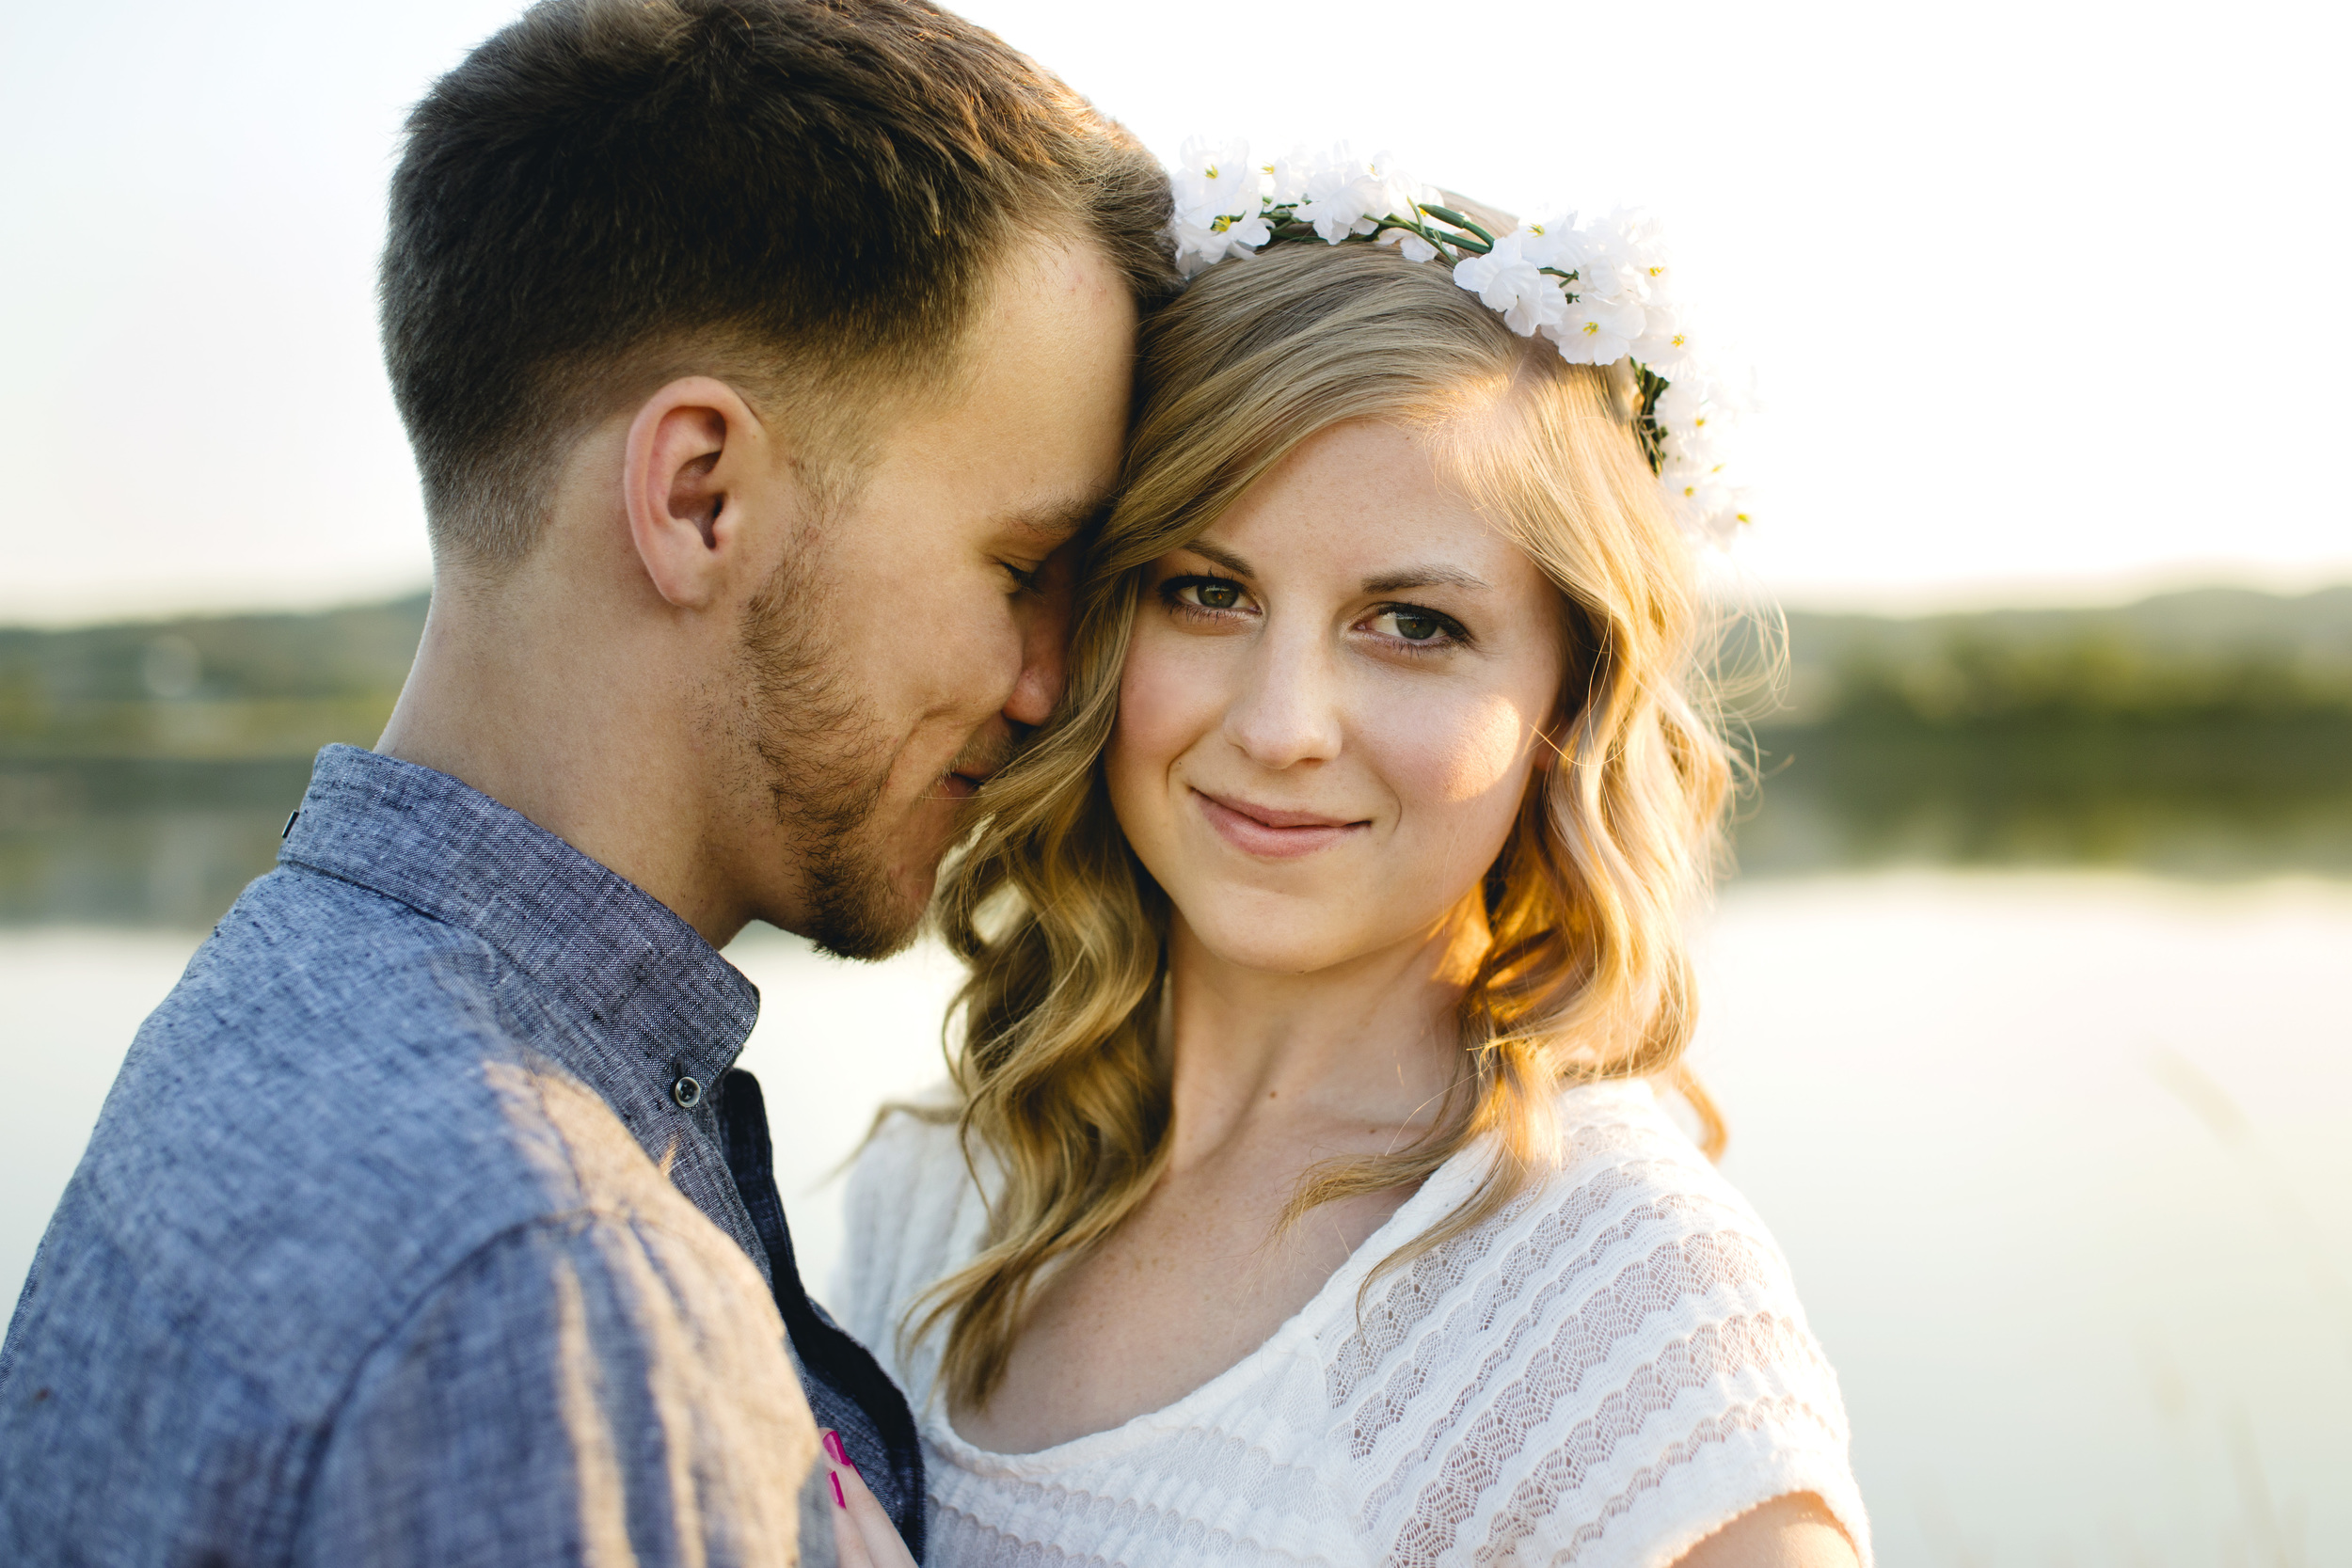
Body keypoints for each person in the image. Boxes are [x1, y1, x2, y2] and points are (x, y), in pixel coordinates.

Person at [0, 2, 1173, 1563]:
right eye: (1022, 565)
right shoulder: (548, 1291)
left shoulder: (279, 1000)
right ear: (701, 497)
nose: (1048, 683)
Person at [834, 155, 1872, 1566]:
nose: (1279, 727)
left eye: (1412, 625)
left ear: (1566, 703)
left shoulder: (1620, 1308)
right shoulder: (948, 1183)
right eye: (1209, 593)